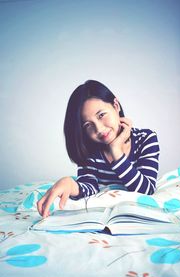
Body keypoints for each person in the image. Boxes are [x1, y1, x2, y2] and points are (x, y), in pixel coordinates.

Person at [37, 80, 160, 218]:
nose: (99, 129)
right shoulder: (90, 148)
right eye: (88, 125)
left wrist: (116, 151)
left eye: (101, 115)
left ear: (115, 105)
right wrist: (71, 185)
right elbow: (89, 186)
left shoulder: (146, 138)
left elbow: (146, 191)